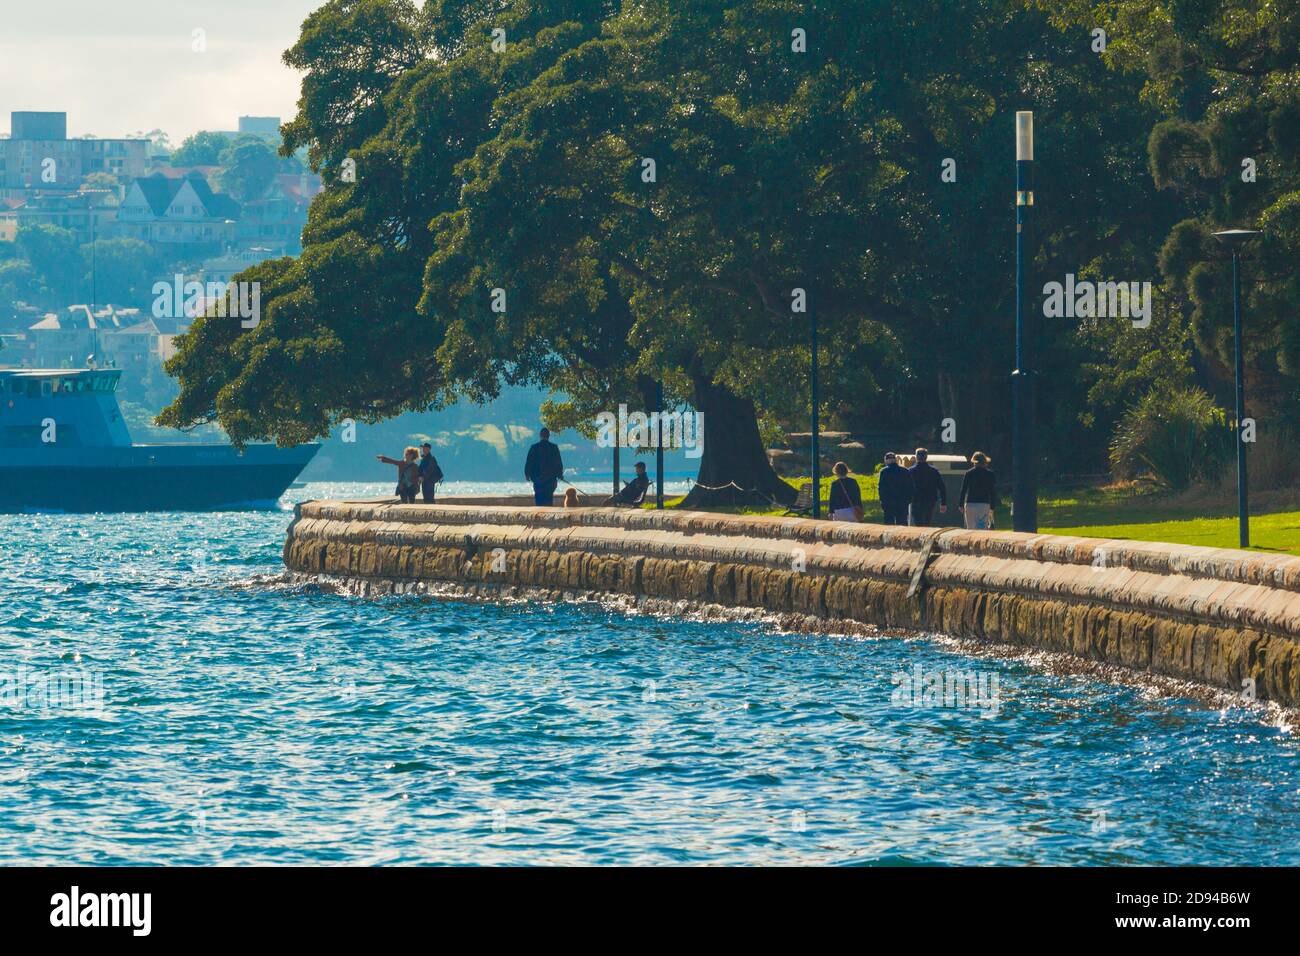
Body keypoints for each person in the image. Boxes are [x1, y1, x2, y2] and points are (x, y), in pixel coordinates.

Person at [958, 451, 999, 530]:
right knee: (982, 528)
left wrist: (961, 504)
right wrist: (992, 506)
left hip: (970, 504)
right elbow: (992, 492)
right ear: (985, 462)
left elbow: (963, 490)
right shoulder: (990, 474)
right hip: (984, 504)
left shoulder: (969, 473)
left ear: (974, 462)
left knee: (970, 528)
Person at [524, 427, 565, 506]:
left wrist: (527, 474)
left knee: (539, 499)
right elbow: (558, 463)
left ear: (540, 435)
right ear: (548, 436)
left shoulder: (534, 447)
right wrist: (560, 475)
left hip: (537, 478)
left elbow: (529, 462)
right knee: (548, 499)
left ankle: (539, 515)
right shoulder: (554, 447)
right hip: (550, 479)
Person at [907, 447, 948, 526]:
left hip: (916, 499)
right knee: (927, 520)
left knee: (918, 521)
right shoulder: (934, 471)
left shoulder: (910, 471)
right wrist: (943, 503)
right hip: (930, 499)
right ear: (926, 457)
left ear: (916, 457)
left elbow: (906, 487)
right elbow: (942, 487)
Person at [876, 452, 914, 525]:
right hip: (902, 502)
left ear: (886, 460)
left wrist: (882, 500)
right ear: (895, 460)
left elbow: (881, 488)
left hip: (889, 502)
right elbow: (910, 486)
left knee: (889, 522)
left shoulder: (884, 471)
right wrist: (909, 500)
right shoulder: (905, 470)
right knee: (902, 522)